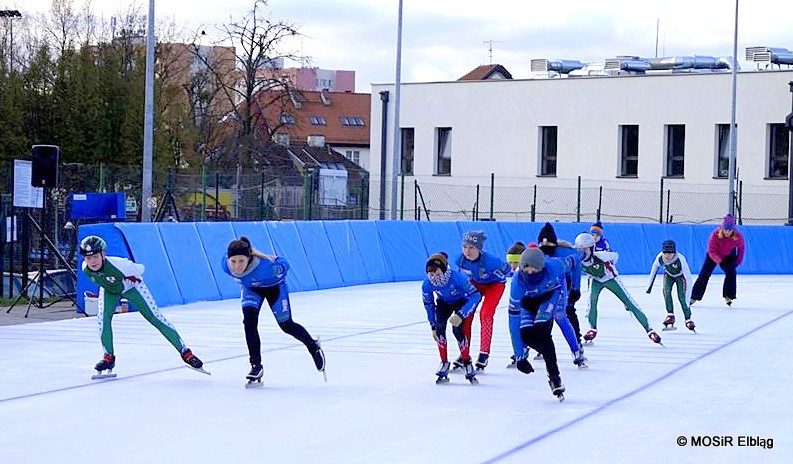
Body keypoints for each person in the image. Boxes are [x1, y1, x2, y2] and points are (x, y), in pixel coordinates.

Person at [79, 235, 205, 376]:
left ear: (103, 255)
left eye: (95, 257)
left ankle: (185, 352)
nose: (92, 261)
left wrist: (131, 276)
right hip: (110, 290)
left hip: (131, 287)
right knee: (102, 319)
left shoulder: (120, 265)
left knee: (154, 317)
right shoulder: (85, 269)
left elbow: (141, 269)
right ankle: (108, 357)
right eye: (88, 258)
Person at [221, 236, 325, 385]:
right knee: (249, 323)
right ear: (228, 259)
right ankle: (256, 366)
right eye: (233, 261)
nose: (237, 266)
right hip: (252, 290)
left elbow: (285, 264)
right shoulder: (225, 265)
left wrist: (276, 262)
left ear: (249, 258)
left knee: (286, 325)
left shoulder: (266, 268)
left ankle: (313, 346)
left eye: (241, 261)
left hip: (274, 288)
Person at [508, 248, 577, 401]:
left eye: (534, 271)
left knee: (542, 332)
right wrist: (519, 356)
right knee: (526, 335)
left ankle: (554, 376)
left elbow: (576, 259)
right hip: (527, 304)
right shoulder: (517, 283)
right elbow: (513, 322)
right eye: (526, 270)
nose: (530, 274)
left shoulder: (555, 266)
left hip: (548, 299)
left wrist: (575, 287)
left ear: (542, 268)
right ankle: (549, 358)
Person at [574, 232, 661, 344]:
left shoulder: (601, 256)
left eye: (585, 249)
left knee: (629, 302)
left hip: (611, 279)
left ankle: (649, 329)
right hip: (596, 280)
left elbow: (615, 256)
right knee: (592, 302)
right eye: (580, 249)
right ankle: (592, 329)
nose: (582, 252)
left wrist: (611, 267)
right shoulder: (577, 261)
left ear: (591, 248)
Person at [454, 230, 511, 371]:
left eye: (471, 247)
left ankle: (484, 353)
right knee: (466, 315)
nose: (467, 251)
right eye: (464, 247)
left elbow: (507, 269)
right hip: (475, 285)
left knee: (486, 314)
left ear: (479, 249)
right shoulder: (460, 260)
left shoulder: (492, 261)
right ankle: (464, 353)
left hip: (495, 285)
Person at [422, 252, 482, 384]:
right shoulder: (426, 284)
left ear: (444, 270)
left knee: (457, 330)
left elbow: (476, 295)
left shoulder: (458, 278)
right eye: (431, 275)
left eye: (437, 274)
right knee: (439, 329)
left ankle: (466, 361)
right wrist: (432, 325)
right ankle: (444, 362)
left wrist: (461, 314)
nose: (434, 278)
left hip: (461, 301)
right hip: (443, 303)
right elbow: (428, 304)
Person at [538, 222, 585, 348]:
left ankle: (577, 341)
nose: (545, 251)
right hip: (548, 287)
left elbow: (577, 266)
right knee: (546, 314)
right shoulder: (537, 253)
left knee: (568, 310)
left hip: (567, 286)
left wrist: (576, 288)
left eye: (548, 246)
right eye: (542, 247)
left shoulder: (566, 253)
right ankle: (544, 343)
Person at [690, 214, 745, 307]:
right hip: (713, 255)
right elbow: (711, 250)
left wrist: (738, 261)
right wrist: (719, 261)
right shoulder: (715, 235)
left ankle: (728, 295)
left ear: (733, 230)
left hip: (728, 255)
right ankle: (694, 297)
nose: (727, 232)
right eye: (725, 229)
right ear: (722, 228)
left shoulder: (738, 236)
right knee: (704, 274)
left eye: (730, 230)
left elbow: (741, 248)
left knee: (731, 272)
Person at [647, 240, 695, 332]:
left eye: (669, 253)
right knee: (666, 292)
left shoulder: (680, 259)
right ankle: (670, 315)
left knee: (682, 297)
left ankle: (688, 318)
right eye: (665, 253)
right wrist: (649, 287)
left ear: (674, 252)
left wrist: (687, 297)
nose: (667, 256)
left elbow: (689, 278)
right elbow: (654, 268)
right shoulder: (660, 257)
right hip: (668, 275)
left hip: (680, 276)